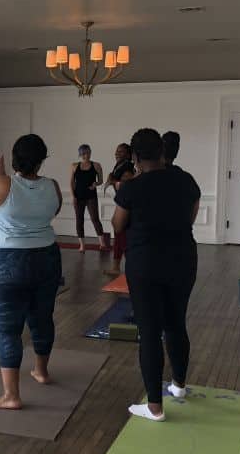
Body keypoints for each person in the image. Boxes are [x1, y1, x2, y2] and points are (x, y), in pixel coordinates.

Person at [112, 129, 201, 422]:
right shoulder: (186, 180)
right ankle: (179, 386)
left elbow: (117, 224)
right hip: (183, 260)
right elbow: (190, 216)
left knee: (149, 331)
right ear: (162, 152)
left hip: (145, 264)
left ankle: (154, 407)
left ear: (135, 157)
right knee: (176, 323)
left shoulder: (132, 187)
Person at [0, 135, 63, 410]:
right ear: (41, 160)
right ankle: (41, 371)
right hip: (47, 257)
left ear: (14, 158)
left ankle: (11, 396)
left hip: (10, 261)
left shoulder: (0, 183)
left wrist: (2, 178)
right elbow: (53, 211)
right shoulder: (53, 186)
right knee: (42, 317)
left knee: (8, 330)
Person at [103, 143, 135, 276]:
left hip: (127, 207)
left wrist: (112, 180)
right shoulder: (120, 165)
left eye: (121, 152)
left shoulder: (127, 165)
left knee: (122, 237)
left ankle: (130, 268)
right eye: (117, 151)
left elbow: (126, 182)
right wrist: (112, 178)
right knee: (119, 236)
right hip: (122, 204)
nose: (117, 153)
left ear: (128, 154)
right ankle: (116, 267)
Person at [70, 144, 107, 252]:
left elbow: (100, 180)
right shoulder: (74, 166)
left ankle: (102, 243)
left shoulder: (96, 165)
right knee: (79, 220)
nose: (87, 155)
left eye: (89, 152)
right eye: (85, 153)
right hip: (78, 196)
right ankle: (82, 245)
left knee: (95, 219)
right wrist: (73, 196)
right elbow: (71, 183)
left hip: (91, 196)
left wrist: (96, 184)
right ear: (81, 154)